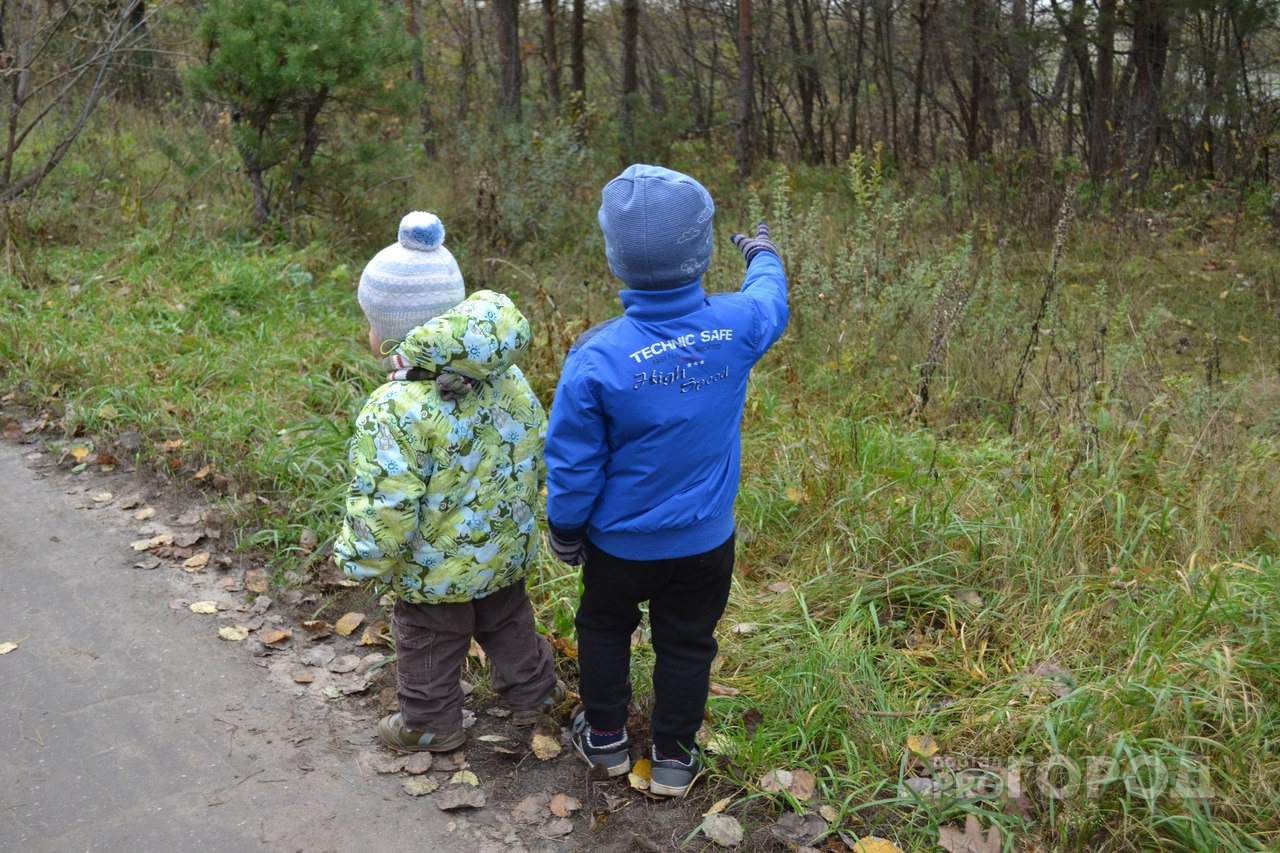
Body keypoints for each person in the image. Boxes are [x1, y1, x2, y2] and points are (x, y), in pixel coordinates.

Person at [544, 165, 789, 797]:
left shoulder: (597, 355)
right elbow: (770, 298)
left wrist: (565, 528)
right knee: (687, 643)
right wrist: (763, 255)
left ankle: (605, 742)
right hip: (706, 543)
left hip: (619, 546)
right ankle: (675, 758)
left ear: (615, 258)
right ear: (702, 249)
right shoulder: (738, 325)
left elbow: (573, 460)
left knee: (603, 628)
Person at [334, 211, 559, 753]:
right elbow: (534, 446)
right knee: (508, 618)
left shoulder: (394, 407)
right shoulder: (506, 378)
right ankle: (533, 693)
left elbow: (385, 499)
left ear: (392, 337)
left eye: (371, 323)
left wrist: (361, 557)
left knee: (428, 638)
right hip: (502, 548)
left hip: (432, 567)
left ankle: (431, 723)